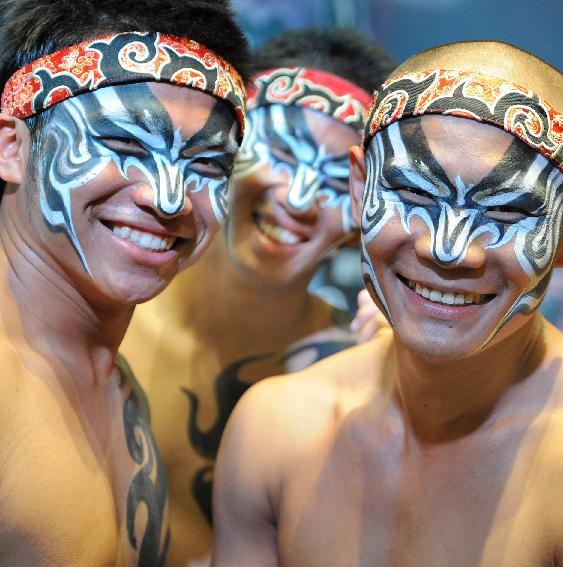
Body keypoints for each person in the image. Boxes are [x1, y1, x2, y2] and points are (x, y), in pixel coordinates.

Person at [211, 40, 563, 566]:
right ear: (361, 187)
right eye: (412, 195)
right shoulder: (275, 429)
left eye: (504, 213)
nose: (447, 250)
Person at [119, 28, 395, 567]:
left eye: (338, 180)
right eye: (281, 153)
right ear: (224, 146)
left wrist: (402, 389)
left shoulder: (356, 368)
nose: (298, 200)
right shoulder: (108, 318)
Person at [0, 0, 249, 565]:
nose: (168, 198)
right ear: (11, 147)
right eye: (125, 145)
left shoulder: (114, 384)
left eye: (207, 165)